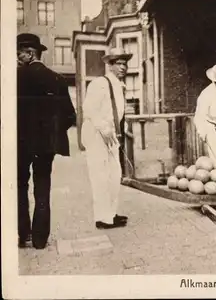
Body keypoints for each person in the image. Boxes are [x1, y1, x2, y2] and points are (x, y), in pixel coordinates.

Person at [17, 33, 76, 249]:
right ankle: (40, 240)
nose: (17, 57)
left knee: (20, 186)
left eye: (19, 53)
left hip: (20, 144)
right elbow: (70, 116)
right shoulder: (57, 79)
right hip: (45, 146)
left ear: (30, 53)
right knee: (42, 186)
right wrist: (52, 133)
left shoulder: (14, 78)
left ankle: (23, 235)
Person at [82, 47, 132, 230]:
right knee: (100, 176)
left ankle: (110, 213)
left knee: (114, 174)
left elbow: (116, 112)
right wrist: (103, 127)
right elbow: (88, 109)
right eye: (119, 63)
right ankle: (102, 218)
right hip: (97, 134)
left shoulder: (119, 86)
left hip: (111, 135)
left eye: (125, 64)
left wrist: (121, 127)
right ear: (110, 65)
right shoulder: (99, 84)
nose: (123, 67)